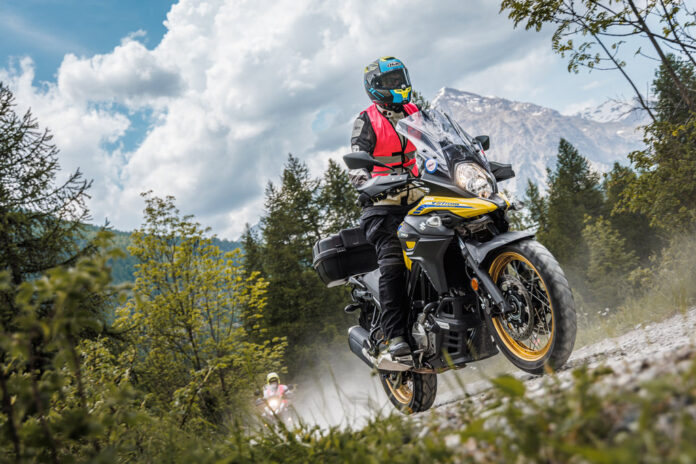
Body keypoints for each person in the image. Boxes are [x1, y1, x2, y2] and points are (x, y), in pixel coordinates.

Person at [350, 57, 425, 359]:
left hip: (420, 196)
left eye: (399, 79)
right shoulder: (366, 120)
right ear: (375, 87)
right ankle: (396, 337)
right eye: (391, 82)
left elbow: (440, 140)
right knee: (393, 263)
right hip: (383, 204)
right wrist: (362, 177)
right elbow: (357, 153)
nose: (398, 85)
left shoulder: (416, 112)